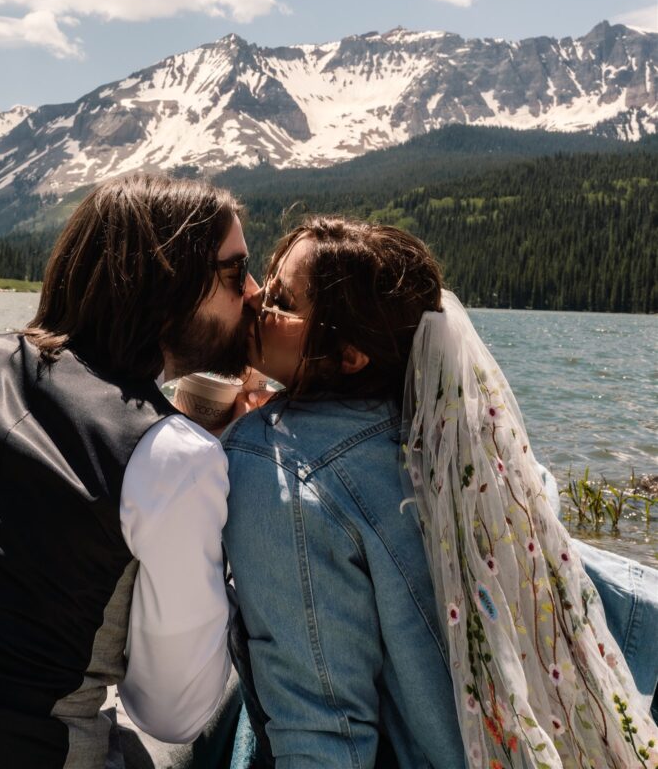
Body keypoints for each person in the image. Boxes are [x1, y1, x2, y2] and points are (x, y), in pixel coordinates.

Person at [0, 173, 260, 769]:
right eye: (237, 271)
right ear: (171, 284)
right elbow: (172, 711)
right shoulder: (176, 456)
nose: (255, 291)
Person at [223, 216, 658, 769]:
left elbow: (323, 731)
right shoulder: (456, 426)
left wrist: (256, 436)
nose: (254, 299)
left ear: (350, 354)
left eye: (281, 300)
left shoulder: (274, 464)